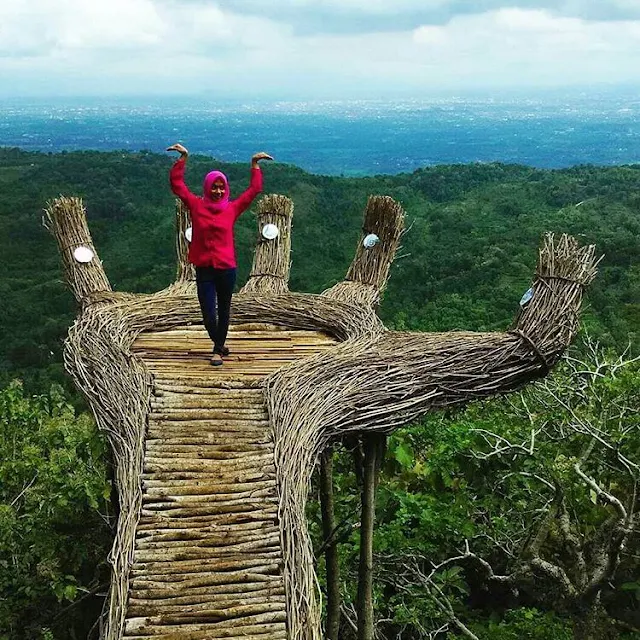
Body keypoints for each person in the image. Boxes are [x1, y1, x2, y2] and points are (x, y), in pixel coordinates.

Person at [167, 143, 273, 366]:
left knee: (224, 309)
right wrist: (183, 158)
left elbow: (253, 191)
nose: (218, 191)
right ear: (207, 188)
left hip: (226, 268)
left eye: (221, 187)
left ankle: (217, 349)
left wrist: (254, 165)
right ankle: (219, 341)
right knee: (207, 312)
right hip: (204, 267)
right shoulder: (196, 206)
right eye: (214, 187)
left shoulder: (231, 208)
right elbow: (178, 186)